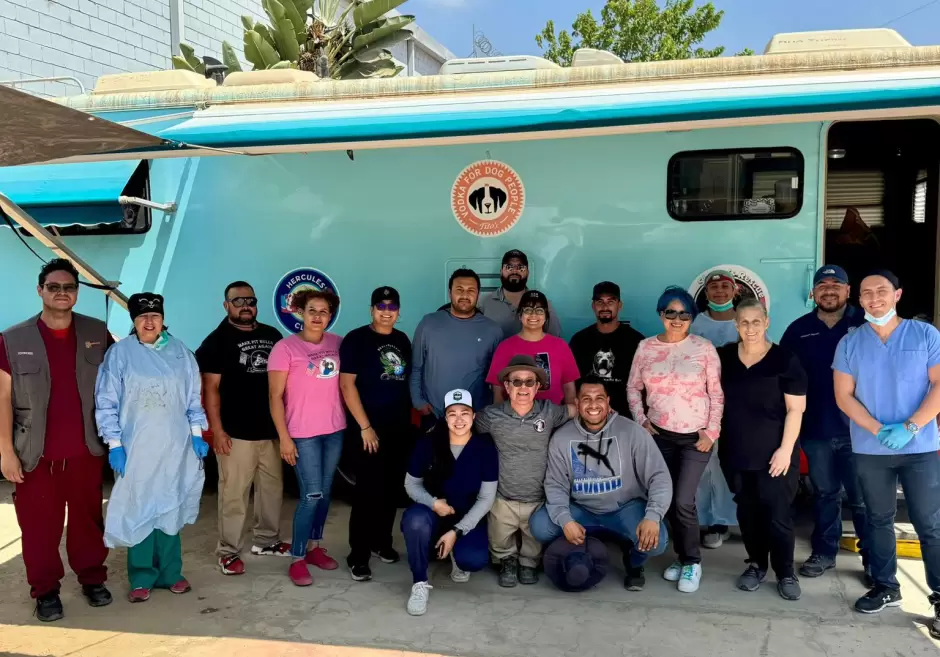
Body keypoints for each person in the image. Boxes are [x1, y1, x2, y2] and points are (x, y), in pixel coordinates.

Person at [0, 259, 112, 621]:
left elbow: (118, 384)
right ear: (40, 291)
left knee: (88, 524)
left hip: (86, 452)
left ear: (77, 293)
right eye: (54, 287)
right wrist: (5, 452)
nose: (62, 293)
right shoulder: (13, 339)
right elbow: (2, 397)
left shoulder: (98, 331)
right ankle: (45, 591)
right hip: (36, 457)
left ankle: (92, 579)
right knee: (38, 531)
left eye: (69, 288)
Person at [833, 270, 940, 633]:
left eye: (881, 291)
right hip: (870, 448)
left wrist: (911, 427)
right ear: (859, 300)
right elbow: (843, 396)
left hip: (920, 448)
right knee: (877, 518)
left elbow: (939, 384)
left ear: (897, 294)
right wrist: (879, 430)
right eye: (866, 293)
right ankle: (885, 586)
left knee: (930, 524)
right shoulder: (850, 343)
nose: (874, 298)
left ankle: (939, 597)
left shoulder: (925, 334)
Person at [95, 293, 209, 602]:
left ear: (162, 318)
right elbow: (107, 402)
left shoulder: (180, 353)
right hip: (136, 447)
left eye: (155, 316)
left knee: (170, 504)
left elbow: (192, 397)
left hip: (175, 446)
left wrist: (197, 433)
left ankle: (172, 572)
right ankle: (142, 575)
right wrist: (115, 443)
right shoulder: (121, 354)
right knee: (139, 506)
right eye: (143, 317)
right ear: (134, 321)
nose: (149, 321)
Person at [530, 375, 672, 592]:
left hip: (624, 507)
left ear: (608, 402)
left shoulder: (632, 431)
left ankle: (634, 562)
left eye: (599, 398)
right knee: (540, 526)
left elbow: (659, 477)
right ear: (577, 403)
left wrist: (653, 515)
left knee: (657, 541)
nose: (593, 404)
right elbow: (555, 484)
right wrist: (565, 519)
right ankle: (572, 552)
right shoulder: (561, 437)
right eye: (586, 398)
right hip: (581, 508)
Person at [627, 286, 723, 593]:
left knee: (683, 500)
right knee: (667, 500)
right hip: (660, 435)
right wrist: (641, 421)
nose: (677, 318)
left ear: (692, 317)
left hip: (696, 437)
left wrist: (712, 432)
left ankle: (692, 561)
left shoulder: (704, 348)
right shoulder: (645, 347)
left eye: (684, 313)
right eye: (671, 312)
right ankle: (682, 558)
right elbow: (632, 388)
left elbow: (716, 392)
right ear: (661, 314)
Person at [780, 265, 868, 583]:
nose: (829, 290)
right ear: (814, 293)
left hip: (859, 430)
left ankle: (873, 560)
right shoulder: (798, 329)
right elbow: (784, 376)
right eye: (822, 285)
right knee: (825, 494)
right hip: (816, 428)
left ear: (848, 290)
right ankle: (825, 553)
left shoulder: (865, 323)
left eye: (836, 284)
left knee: (863, 497)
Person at [196, 281, 290, 577]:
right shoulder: (216, 341)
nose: (245, 306)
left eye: (250, 300)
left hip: (271, 431)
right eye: (238, 301)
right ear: (226, 306)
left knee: (272, 491)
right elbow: (211, 390)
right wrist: (218, 431)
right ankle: (228, 551)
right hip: (236, 434)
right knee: (234, 495)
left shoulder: (272, 335)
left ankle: (266, 540)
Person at [717, 299, 807, 601]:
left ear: (766, 322)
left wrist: (785, 450)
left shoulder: (785, 359)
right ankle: (756, 564)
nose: (750, 328)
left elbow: (796, 410)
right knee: (748, 513)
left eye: (756, 321)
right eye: (744, 322)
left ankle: (785, 573)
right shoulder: (725, 358)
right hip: (735, 452)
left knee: (777, 515)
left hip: (775, 455)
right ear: (736, 324)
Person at [475, 354, 574, 587]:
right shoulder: (491, 415)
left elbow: (576, 411)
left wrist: (603, 413)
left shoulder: (549, 412)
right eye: (516, 381)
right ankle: (506, 560)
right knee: (499, 537)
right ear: (507, 386)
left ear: (538, 386)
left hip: (538, 496)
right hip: (503, 495)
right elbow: (465, 426)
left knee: (534, 539)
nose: (523, 387)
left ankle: (528, 562)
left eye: (529, 382)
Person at [268, 288, 346, 587]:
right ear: (301, 312)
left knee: (325, 493)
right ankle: (297, 558)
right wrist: (284, 439)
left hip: (334, 430)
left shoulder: (338, 344)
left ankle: (314, 547)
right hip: (302, 435)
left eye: (324, 311)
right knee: (311, 494)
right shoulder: (285, 349)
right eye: (312, 310)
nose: (318, 316)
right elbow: (275, 397)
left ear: (330, 315)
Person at [401, 389, 498, 616]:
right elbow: (411, 485)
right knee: (415, 521)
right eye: (452, 414)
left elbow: (486, 498)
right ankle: (419, 583)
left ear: (474, 416)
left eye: (465, 413)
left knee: (473, 560)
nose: (459, 419)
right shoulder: (429, 443)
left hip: (466, 518)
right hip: (433, 514)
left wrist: (457, 531)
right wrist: (433, 503)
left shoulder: (484, 447)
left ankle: (455, 550)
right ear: (445, 418)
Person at [340, 286, 413, 581]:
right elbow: (347, 385)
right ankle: (357, 555)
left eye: (391, 306)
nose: (386, 311)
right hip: (367, 429)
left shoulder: (401, 339)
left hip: (398, 427)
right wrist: (365, 427)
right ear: (371, 310)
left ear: (398, 311)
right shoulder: (357, 339)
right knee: (367, 492)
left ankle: (381, 543)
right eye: (380, 306)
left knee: (391, 490)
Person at [410, 268, 503, 428]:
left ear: (478, 294)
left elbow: (497, 379)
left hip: (475, 416)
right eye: (459, 290)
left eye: (471, 290)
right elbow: (416, 367)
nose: (465, 295)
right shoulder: (428, 324)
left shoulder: (492, 330)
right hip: (434, 414)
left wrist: (490, 410)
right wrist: (418, 402)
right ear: (449, 292)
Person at [690, 269, 740, 550]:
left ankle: (734, 518)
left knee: (733, 464)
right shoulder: (696, 324)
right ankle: (712, 521)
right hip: (701, 408)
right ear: (705, 293)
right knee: (707, 465)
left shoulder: (745, 321)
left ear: (735, 291)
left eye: (725, 286)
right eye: (714, 287)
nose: (720, 291)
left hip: (738, 406)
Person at [486, 290, 580, 406]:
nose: (533, 315)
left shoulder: (560, 346)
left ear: (546, 316)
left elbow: (569, 389)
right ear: (520, 315)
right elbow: (498, 391)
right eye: (528, 310)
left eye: (539, 310)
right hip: (516, 419)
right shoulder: (505, 347)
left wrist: (570, 417)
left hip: (555, 418)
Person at [568, 281, 644, 418]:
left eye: (611, 301)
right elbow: (570, 383)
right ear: (593, 306)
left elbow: (643, 386)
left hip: (625, 417)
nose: (605, 306)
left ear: (619, 305)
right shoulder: (579, 340)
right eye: (599, 302)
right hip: (588, 416)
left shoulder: (636, 341)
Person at [479, 249, 562, 338]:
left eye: (520, 267)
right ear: (501, 271)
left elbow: (554, 339)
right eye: (509, 267)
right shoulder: (484, 302)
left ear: (527, 272)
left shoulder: (542, 303)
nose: (514, 271)